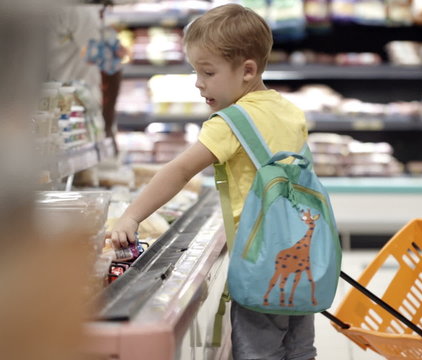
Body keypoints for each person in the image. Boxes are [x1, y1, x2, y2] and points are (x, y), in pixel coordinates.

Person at [107, 4, 316, 360]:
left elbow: (179, 170)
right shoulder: (288, 110)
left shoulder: (230, 122)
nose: (198, 83)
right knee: (299, 350)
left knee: (257, 352)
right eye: (195, 71)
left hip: (261, 264)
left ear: (247, 70)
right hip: (302, 257)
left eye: (208, 72)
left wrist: (132, 215)